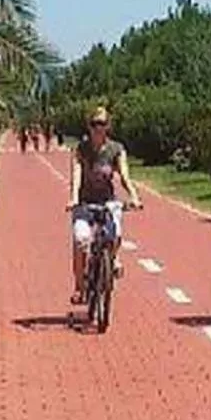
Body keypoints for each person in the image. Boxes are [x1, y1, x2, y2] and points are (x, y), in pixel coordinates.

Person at [67, 107, 142, 304]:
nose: (97, 128)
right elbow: (76, 174)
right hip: (85, 203)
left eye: (101, 124)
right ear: (89, 127)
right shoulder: (81, 149)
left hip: (108, 202)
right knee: (80, 240)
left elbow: (124, 176)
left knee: (115, 234)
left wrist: (133, 196)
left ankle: (113, 258)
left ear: (108, 126)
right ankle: (79, 287)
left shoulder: (116, 149)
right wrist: (73, 198)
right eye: (94, 124)